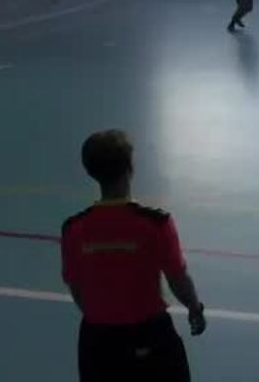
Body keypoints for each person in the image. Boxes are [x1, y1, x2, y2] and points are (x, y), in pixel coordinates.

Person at [62, 130, 207, 382]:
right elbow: (177, 277)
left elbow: (76, 286)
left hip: (97, 341)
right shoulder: (156, 223)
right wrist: (194, 307)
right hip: (150, 336)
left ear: (91, 172)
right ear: (130, 168)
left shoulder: (74, 228)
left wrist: (104, 318)